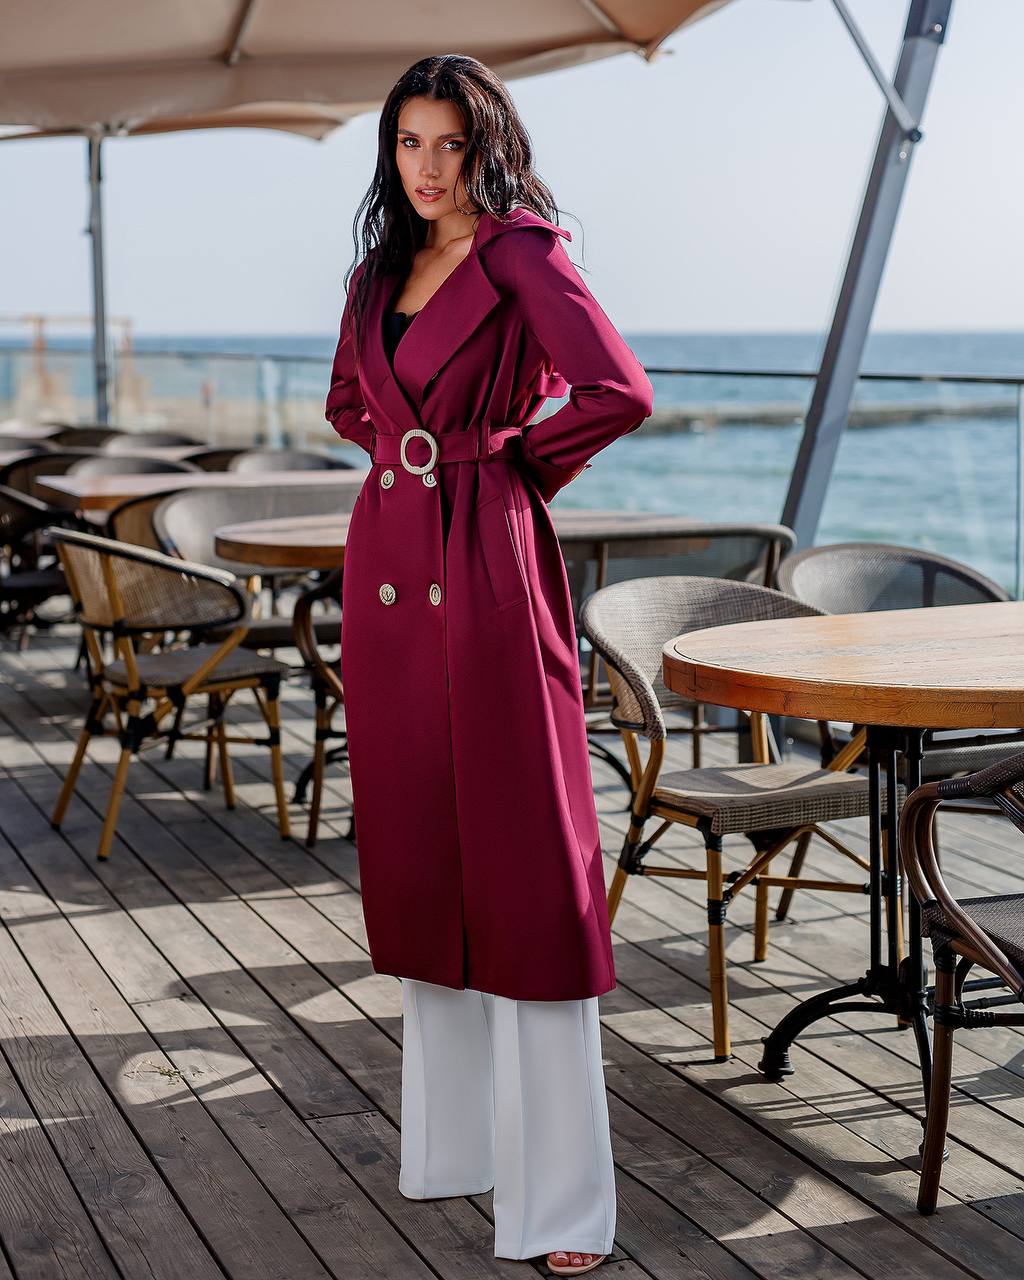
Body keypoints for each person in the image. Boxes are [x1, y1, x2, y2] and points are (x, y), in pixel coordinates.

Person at [325, 53, 654, 1277]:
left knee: (523, 868)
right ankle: (453, 1150)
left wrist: (504, 462)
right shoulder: (376, 271)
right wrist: (417, 454)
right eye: (408, 143)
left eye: (450, 144)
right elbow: (349, 405)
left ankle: (562, 1204)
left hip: (490, 562)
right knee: (422, 859)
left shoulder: (522, 251)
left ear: (487, 145)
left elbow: (617, 389)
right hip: (394, 572)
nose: (428, 168)